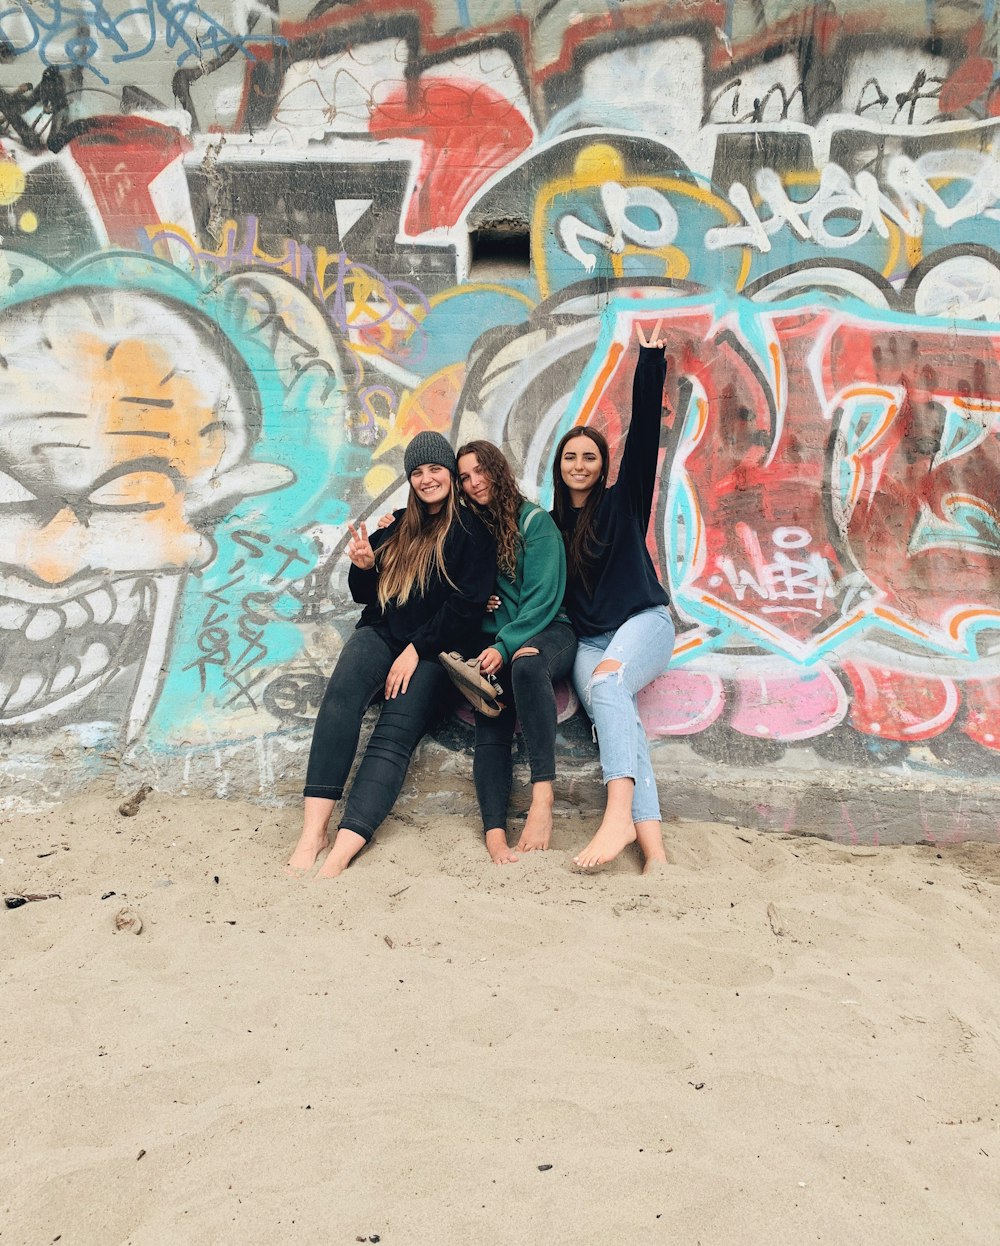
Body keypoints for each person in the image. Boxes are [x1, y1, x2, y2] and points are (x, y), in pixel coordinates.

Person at [288, 431, 496, 878]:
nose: (427, 478)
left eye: (435, 468)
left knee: (393, 734)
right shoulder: (398, 524)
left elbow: (466, 608)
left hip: (436, 651)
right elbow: (367, 597)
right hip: (383, 634)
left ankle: (344, 848)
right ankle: (313, 833)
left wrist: (415, 650)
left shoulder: (471, 534)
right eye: (417, 472)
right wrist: (363, 567)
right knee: (341, 699)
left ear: (450, 475)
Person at [551, 321, 675, 872]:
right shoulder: (549, 528)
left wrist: (649, 363)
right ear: (559, 467)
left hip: (642, 623)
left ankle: (617, 815)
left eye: (590, 457)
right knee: (614, 707)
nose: (580, 465)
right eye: (570, 457)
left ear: (601, 466)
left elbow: (645, 435)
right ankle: (656, 856)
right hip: (588, 641)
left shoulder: (623, 504)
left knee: (607, 685)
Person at [456, 440, 577, 865]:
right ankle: (494, 835)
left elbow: (541, 600)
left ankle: (543, 797)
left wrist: (505, 645)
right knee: (490, 714)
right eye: (465, 478)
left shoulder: (535, 523)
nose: (474, 483)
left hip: (548, 634)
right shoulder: (472, 528)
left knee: (525, 663)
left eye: (480, 471)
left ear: (497, 470)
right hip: (497, 646)